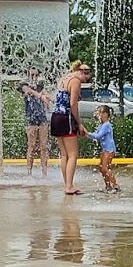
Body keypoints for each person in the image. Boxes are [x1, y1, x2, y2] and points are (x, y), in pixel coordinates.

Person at [52, 61, 89, 195]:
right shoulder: (75, 81)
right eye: (86, 77)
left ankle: (67, 184)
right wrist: (79, 123)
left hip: (55, 117)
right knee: (73, 154)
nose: (85, 80)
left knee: (64, 155)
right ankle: (69, 186)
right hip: (66, 118)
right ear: (82, 72)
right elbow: (73, 104)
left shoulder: (64, 78)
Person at [85, 105, 120, 192]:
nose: (98, 115)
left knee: (105, 167)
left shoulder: (106, 125)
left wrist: (87, 133)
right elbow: (96, 135)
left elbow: (98, 136)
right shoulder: (102, 125)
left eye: (99, 113)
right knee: (102, 168)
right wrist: (86, 135)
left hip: (109, 149)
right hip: (105, 149)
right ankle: (108, 186)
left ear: (105, 114)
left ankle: (115, 185)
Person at [22, 77, 51, 178]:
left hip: (42, 120)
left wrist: (47, 98)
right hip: (31, 121)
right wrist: (40, 96)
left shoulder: (41, 88)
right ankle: (29, 172)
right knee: (32, 146)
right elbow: (28, 90)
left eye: (35, 75)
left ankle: (44, 173)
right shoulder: (24, 85)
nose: (34, 77)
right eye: (32, 75)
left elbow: (48, 96)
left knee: (44, 146)